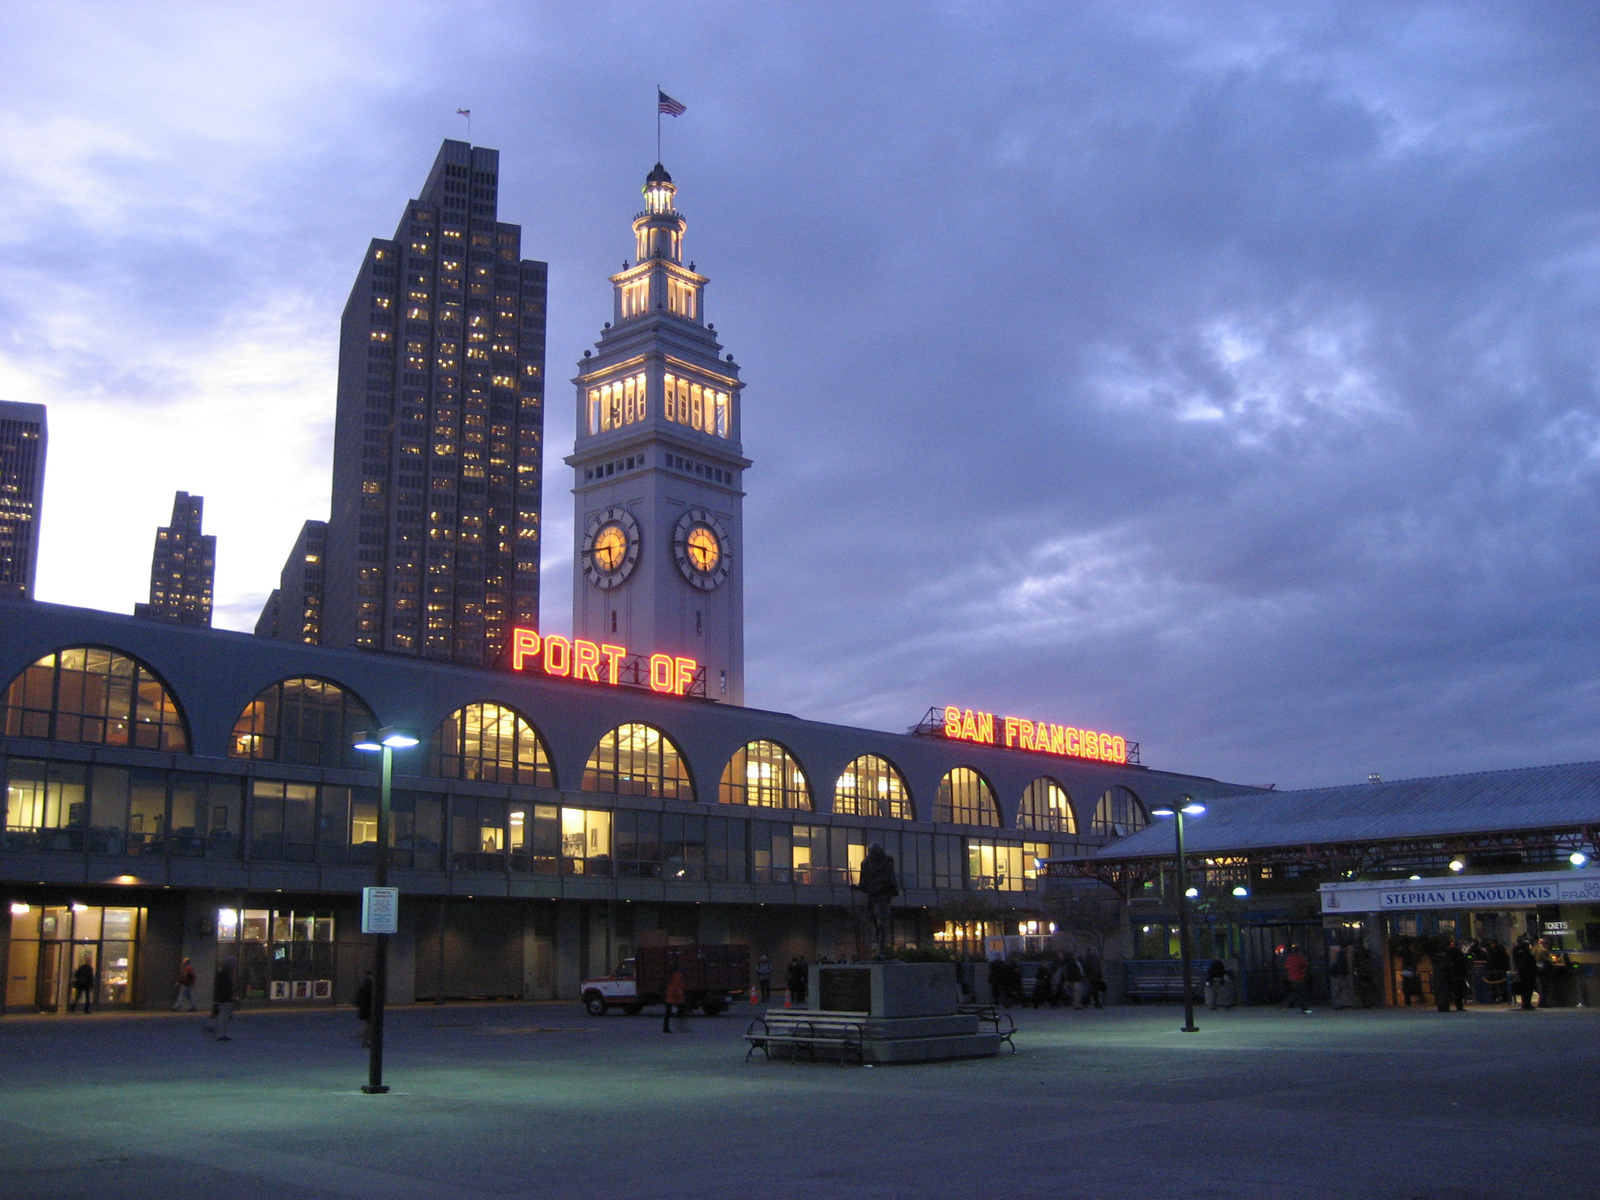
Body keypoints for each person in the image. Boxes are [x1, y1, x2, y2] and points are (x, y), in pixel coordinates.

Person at [1432, 938, 1468, 1012]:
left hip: (1445, 976)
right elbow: (1463, 963)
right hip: (1457, 974)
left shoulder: (1439, 955)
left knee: (1443, 991)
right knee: (1458, 991)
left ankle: (1443, 1006)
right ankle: (1459, 1006)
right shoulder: (1457, 952)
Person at [206, 957, 237, 1040]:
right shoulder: (226, 973)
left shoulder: (221, 971)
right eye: (233, 963)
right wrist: (231, 996)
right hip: (224, 998)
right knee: (224, 1016)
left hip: (220, 997)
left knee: (220, 1014)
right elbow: (227, 986)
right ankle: (221, 1033)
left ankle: (213, 1027)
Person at [1512, 936, 1538, 1010]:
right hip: (1530, 975)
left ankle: (1524, 1003)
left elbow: (1514, 953)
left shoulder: (1518, 956)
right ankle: (1527, 1003)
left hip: (1522, 974)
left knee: (1523, 989)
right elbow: (1533, 966)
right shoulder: (1530, 956)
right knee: (1529, 989)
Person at [1283, 945, 1311, 1013]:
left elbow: (1286, 966)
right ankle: (1304, 1009)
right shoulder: (1300, 959)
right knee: (1302, 994)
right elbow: (1306, 965)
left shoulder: (1290, 958)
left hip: (1293, 978)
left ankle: (1285, 1005)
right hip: (1300, 978)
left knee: (1295, 992)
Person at [1484, 940, 1511, 1005]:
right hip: (1502, 969)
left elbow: (1492, 960)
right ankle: (1504, 997)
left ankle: (1495, 997)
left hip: (1497, 970)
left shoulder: (1494, 952)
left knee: (1496, 985)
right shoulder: (1503, 951)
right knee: (1502, 985)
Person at [662, 966, 687, 1033]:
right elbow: (677, 986)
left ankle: (666, 1027)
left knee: (668, 1013)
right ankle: (681, 1027)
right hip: (675, 996)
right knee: (680, 1011)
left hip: (669, 995)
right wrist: (681, 995)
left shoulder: (670, 975)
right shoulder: (678, 975)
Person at [1534, 938, 1556, 1008]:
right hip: (1544, 971)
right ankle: (1542, 1003)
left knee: (1540, 987)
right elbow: (1547, 961)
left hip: (1536, 970)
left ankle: (1541, 1002)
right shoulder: (1543, 950)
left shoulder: (1534, 948)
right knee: (1544, 987)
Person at [355, 970, 374, 1047]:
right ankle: (366, 1039)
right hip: (368, 1007)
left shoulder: (364, 984)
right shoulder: (370, 984)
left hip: (365, 1007)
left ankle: (365, 1039)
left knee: (368, 1023)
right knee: (370, 1024)